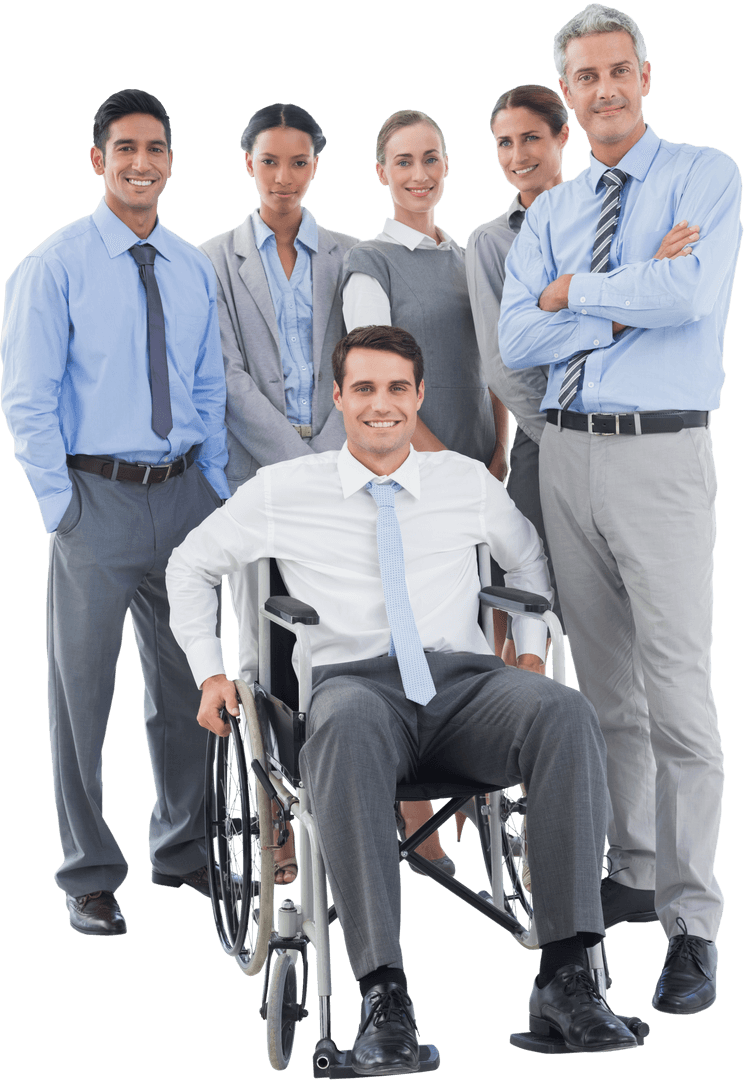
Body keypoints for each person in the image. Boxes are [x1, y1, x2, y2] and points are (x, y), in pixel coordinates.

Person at [167, 324, 644, 1067]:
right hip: (354, 689)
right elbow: (190, 565)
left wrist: (526, 647)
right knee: (349, 725)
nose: (381, 405)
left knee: (563, 712)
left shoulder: (463, 482)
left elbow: (528, 566)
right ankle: (384, 996)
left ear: (418, 396)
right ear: (339, 399)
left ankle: (568, 976)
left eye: (396, 389)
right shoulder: (287, 489)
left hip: (462, 687)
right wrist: (209, 669)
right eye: (364, 389)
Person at [499, 3, 742, 1016]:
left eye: (616, 72)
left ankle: (693, 922)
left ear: (645, 75)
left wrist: (572, 296)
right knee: (605, 697)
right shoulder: (554, 205)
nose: (602, 90)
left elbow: (688, 298)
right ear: (571, 94)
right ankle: (636, 866)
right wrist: (599, 293)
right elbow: (517, 336)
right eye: (584, 79)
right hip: (567, 460)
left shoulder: (704, 175)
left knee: (680, 695)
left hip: (661, 456)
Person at [0, 89, 230, 936]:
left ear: (171, 161)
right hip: (93, 500)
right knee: (81, 694)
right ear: (99, 160)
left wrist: (212, 487)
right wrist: (60, 508)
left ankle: (184, 847)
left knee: (189, 687)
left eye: (157, 149)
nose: (143, 162)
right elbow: (25, 399)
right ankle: (89, 874)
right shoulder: (54, 264)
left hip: (183, 498)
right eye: (125, 148)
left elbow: (206, 384)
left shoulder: (189, 264)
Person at [343, 109, 510, 870]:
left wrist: (498, 450)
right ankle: (420, 821)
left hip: (481, 472)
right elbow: (380, 391)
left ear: (449, 166)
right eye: (404, 161)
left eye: (433, 159)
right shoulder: (369, 265)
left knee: (491, 632)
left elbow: (498, 363)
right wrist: (448, 466)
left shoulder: (470, 254)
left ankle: (489, 783)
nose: (420, 174)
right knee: (418, 634)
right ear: (382, 171)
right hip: (412, 478)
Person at [199, 102, 358, 883]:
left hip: (344, 479)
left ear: (315, 166)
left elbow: (360, 364)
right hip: (260, 484)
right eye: (271, 162)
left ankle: (348, 800)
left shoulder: (351, 256)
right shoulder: (212, 261)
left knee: (343, 636)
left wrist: (333, 455)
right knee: (268, 653)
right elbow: (225, 379)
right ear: (249, 165)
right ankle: (278, 827)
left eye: (299, 162)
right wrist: (298, 461)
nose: (284, 177)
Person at [466, 85, 570, 665]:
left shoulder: (603, 220)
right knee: (531, 607)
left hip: (616, 438)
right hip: (543, 441)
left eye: (530, 137)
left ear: (562, 135)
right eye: (504, 143)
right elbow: (500, 363)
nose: (516, 155)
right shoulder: (492, 242)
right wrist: (564, 433)